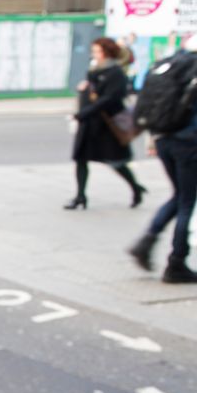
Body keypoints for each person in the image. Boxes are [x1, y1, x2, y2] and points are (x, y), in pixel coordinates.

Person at [128, 36, 197, 284]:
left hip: (163, 138)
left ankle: (147, 241)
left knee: (179, 195)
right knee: (187, 201)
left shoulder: (173, 62)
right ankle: (176, 263)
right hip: (189, 142)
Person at [65, 37, 147, 210]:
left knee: (116, 162)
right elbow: (93, 90)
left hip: (107, 125)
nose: (93, 54)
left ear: (107, 53)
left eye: (97, 51)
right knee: (81, 159)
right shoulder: (94, 70)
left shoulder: (116, 73)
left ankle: (136, 188)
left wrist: (84, 112)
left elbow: (110, 99)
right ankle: (80, 196)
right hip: (89, 123)